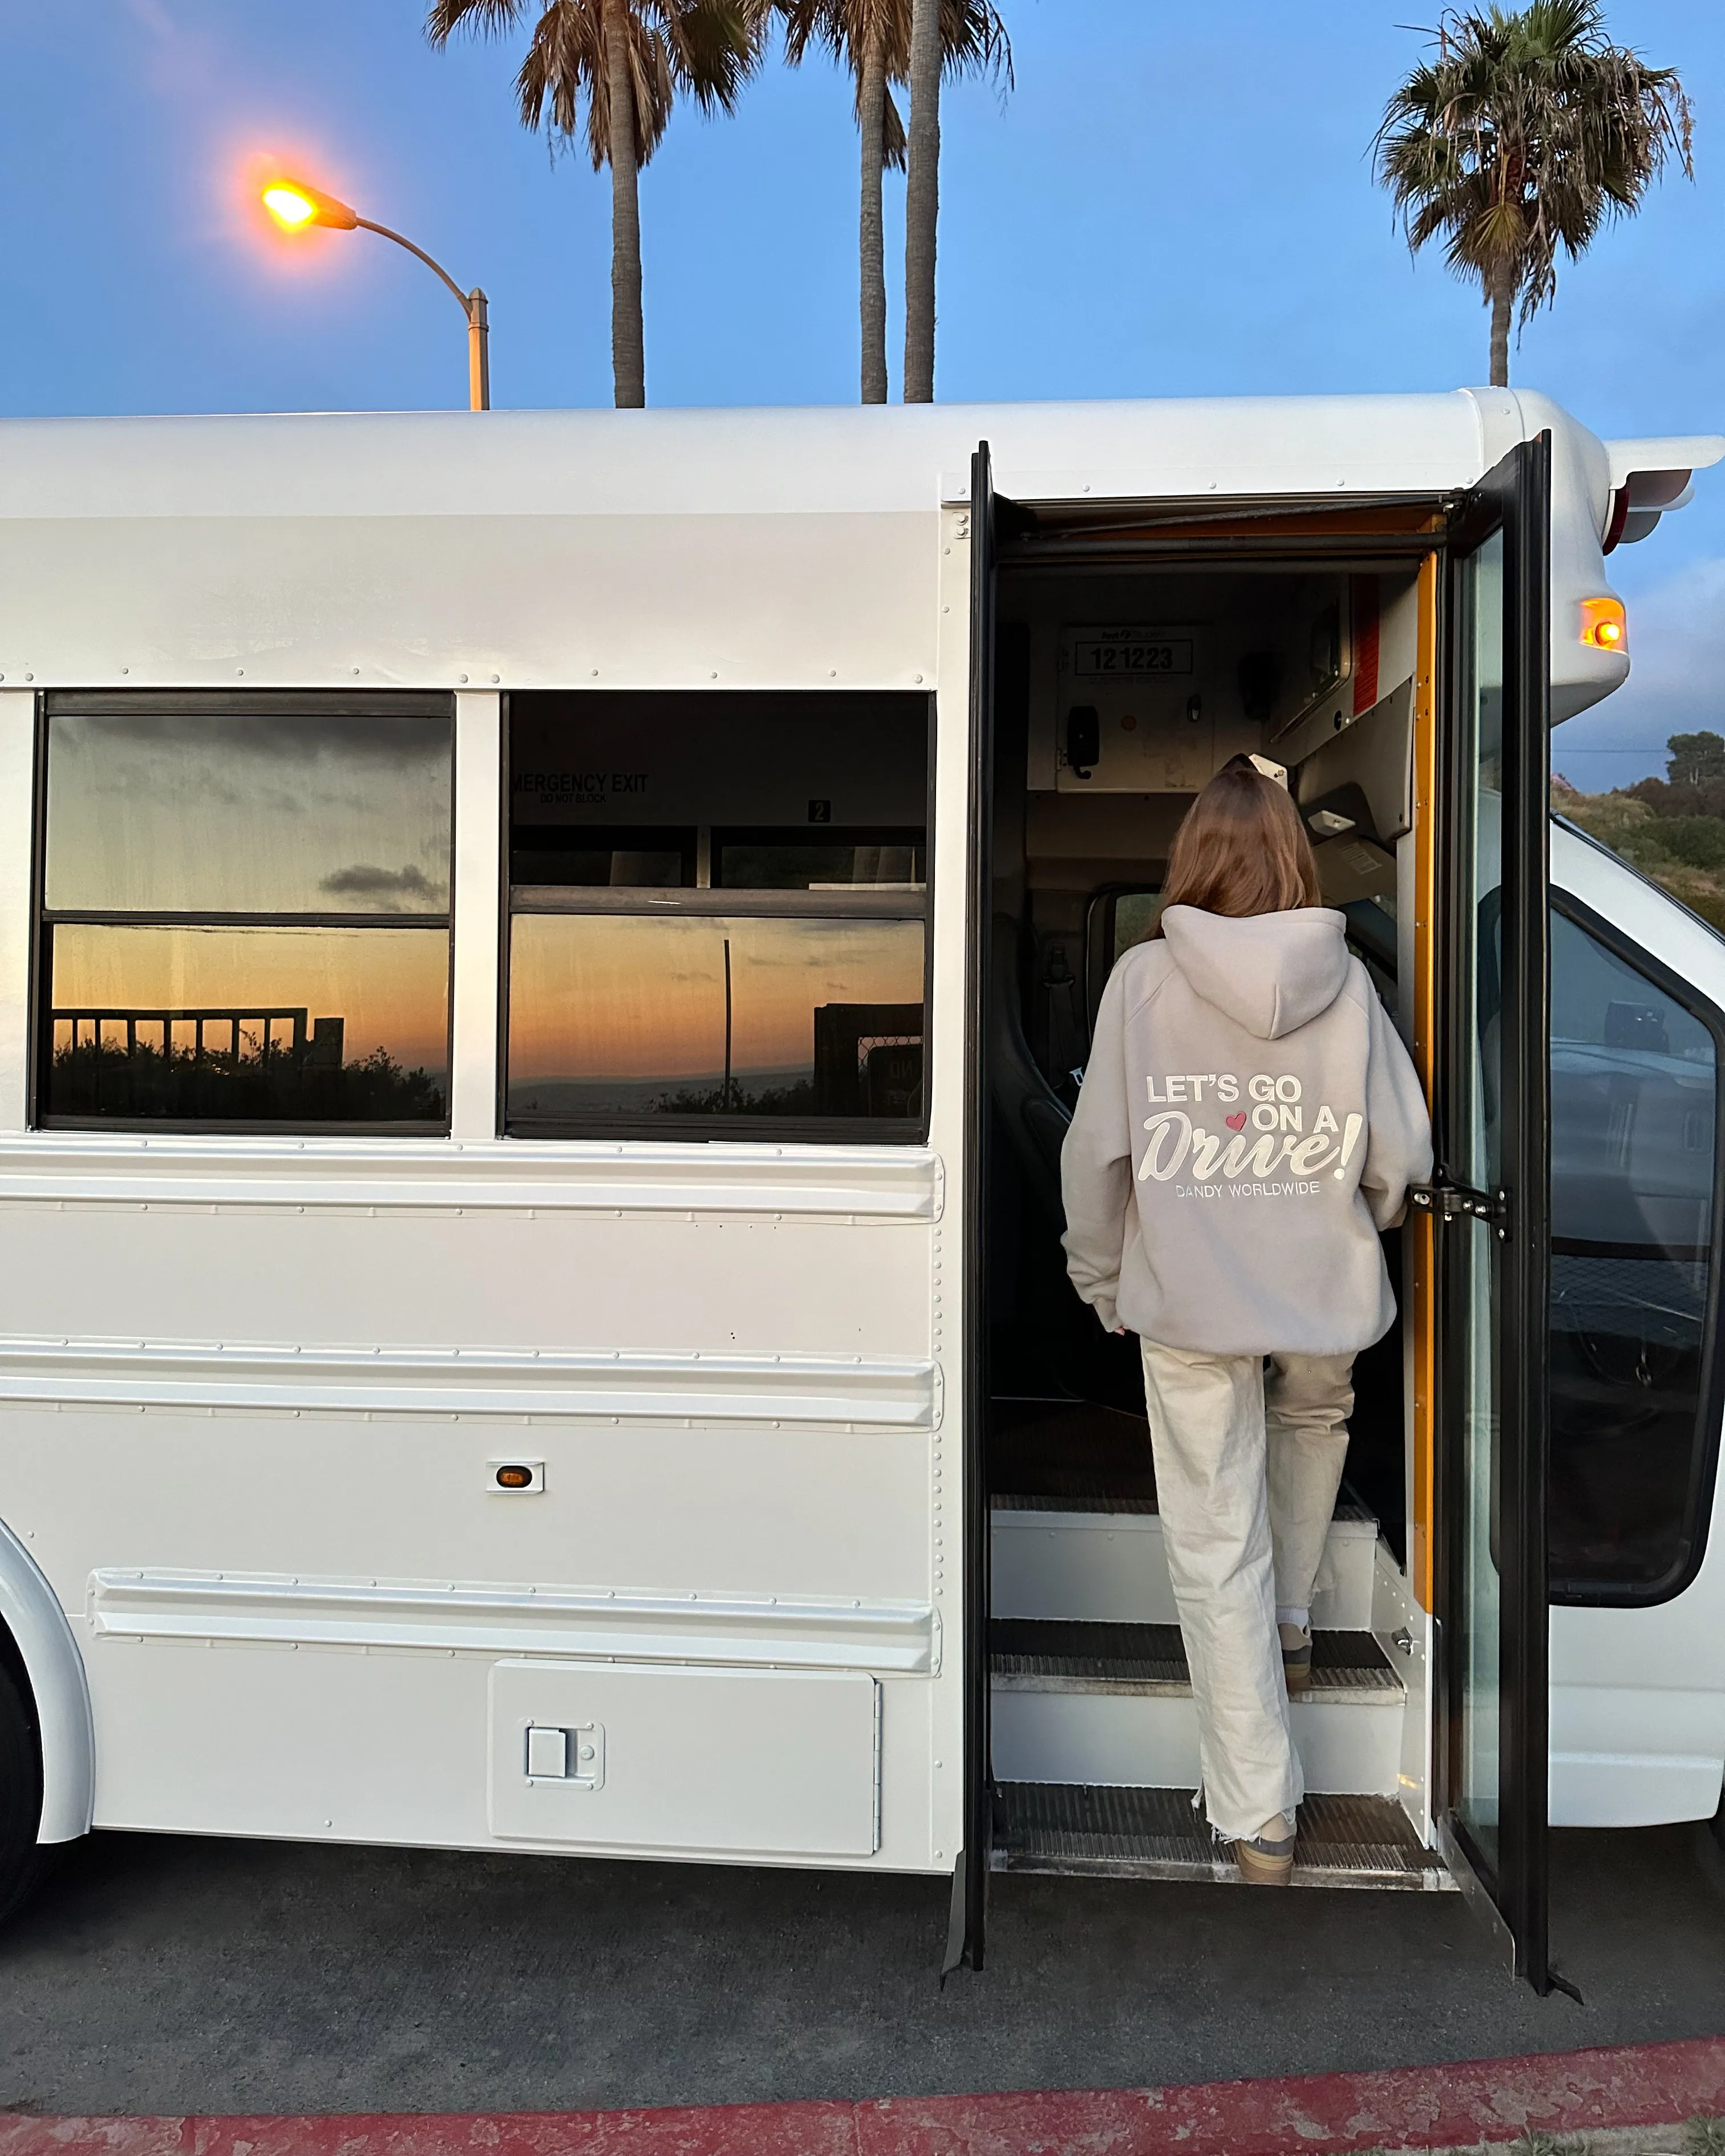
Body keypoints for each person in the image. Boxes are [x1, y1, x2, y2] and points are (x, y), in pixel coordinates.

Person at [1059, 755, 1432, 1885]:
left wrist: (1100, 1275)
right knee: (1316, 1420)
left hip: (1191, 1298)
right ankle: (1297, 1629)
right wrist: (1348, 1220)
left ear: (1194, 859)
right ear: (1292, 855)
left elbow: (1101, 1154)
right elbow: (1401, 1156)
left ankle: (1261, 1814)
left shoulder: (1142, 981)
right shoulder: (1351, 981)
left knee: (1214, 1541)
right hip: (1323, 1287)